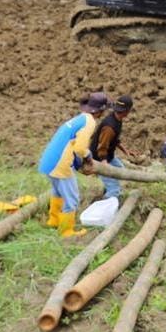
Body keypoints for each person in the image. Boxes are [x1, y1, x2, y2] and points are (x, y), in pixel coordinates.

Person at [37, 92, 109, 238]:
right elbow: (80, 148)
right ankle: (66, 231)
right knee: (72, 199)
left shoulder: (79, 118)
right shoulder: (90, 122)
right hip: (60, 164)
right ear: (100, 111)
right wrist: (88, 156)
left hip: (49, 161)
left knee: (57, 192)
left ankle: (54, 220)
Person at [89, 94, 138, 200]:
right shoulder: (109, 127)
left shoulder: (117, 118)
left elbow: (114, 139)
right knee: (114, 190)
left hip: (109, 156)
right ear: (127, 111)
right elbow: (102, 146)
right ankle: (104, 203)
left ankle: (106, 189)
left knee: (121, 171)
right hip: (99, 158)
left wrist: (125, 150)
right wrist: (104, 164)